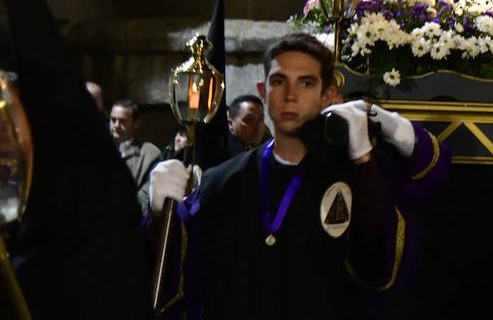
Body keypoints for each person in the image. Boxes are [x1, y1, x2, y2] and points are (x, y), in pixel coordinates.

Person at [147, 33, 449, 318]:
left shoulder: (354, 176)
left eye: (305, 83)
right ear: (263, 92)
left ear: (327, 95)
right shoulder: (223, 181)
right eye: (279, 81)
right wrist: (159, 215)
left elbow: (384, 259)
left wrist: (368, 151)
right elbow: (181, 276)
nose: (290, 96)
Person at [109, 98, 161, 189]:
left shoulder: (149, 153)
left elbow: (147, 191)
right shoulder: (97, 149)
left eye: (122, 121)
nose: (116, 125)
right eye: (113, 120)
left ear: (135, 123)